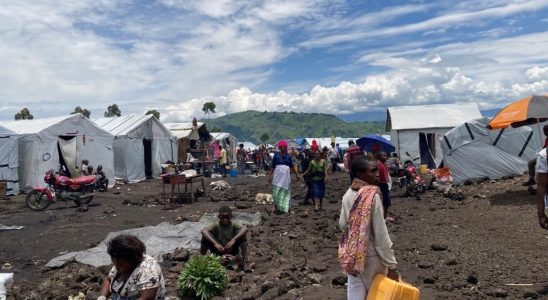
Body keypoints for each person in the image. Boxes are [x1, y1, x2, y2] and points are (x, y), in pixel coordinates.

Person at [338, 158, 399, 300]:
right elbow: (381, 234)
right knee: (378, 294)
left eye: (377, 170)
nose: (377, 174)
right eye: (372, 171)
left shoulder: (347, 194)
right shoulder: (372, 196)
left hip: (353, 257)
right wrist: (392, 265)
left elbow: (342, 224)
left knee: (356, 295)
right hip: (372, 257)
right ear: (360, 175)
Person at [99, 234, 166, 300]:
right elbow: (109, 279)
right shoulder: (120, 264)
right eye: (114, 262)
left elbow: (146, 298)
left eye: (121, 264)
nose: (117, 266)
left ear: (132, 260)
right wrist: (102, 297)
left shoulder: (148, 270)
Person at [201, 206, 250, 270]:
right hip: (218, 250)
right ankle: (202, 260)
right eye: (223, 217)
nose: (225, 219)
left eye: (227, 217)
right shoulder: (216, 225)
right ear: (219, 217)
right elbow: (203, 231)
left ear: (231, 216)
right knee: (206, 236)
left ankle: (245, 261)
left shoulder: (234, 224)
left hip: (231, 250)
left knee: (241, 234)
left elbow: (245, 229)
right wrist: (215, 243)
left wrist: (233, 240)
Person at [269, 140, 300, 213]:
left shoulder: (288, 156)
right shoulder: (276, 155)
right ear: (279, 147)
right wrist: (270, 176)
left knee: (286, 191)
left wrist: (297, 175)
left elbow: (292, 166)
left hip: (285, 176)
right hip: (277, 176)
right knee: (276, 191)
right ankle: (276, 207)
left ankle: (287, 208)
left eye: (284, 147)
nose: (283, 148)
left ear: (285, 148)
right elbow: (273, 166)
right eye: (281, 147)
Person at [535, 148, 548, 230]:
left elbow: (542, 186)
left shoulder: (544, 154)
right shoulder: (544, 155)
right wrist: (541, 214)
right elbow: (542, 186)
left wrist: (541, 215)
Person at [376, 152, 392, 220]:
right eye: (384, 156)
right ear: (379, 157)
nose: (386, 157)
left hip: (385, 183)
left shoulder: (384, 164)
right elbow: (377, 174)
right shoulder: (379, 164)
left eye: (386, 155)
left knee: (386, 201)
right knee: (385, 200)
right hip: (381, 184)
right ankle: (383, 217)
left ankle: (384, 216)